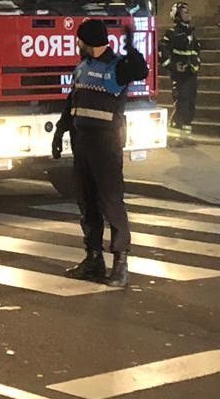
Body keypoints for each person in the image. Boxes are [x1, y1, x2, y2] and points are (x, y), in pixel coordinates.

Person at [51, 19, 147, 287]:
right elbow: (73, 102)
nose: (77, 44)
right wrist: (60, 131)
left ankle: (120, 263)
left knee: (111, 203)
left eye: (79, 39)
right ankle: (93, 259)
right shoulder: (82, 67)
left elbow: (141, 70)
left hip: (106, 145)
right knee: (87, 203)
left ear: (86, 41)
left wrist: (132, 48)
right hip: (82, 143)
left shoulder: (117, 66)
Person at [158, 2, 201, 132]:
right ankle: (176, 126)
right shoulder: (171, 33)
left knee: (190, 101)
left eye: (188, 11)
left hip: (191, 72)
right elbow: (162, 52)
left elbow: (196, 53)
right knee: (182, 99)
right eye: (185, 12)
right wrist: (173, 66)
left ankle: (186, 125)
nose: (188, 14)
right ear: (177, 15)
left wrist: (196, 65)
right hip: (180, 74)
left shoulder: (191, 34)